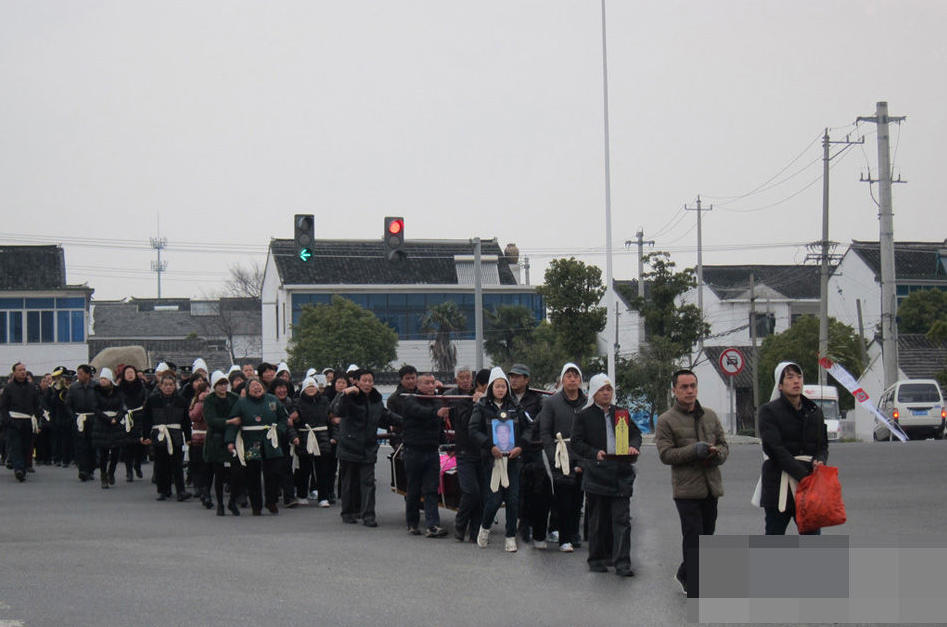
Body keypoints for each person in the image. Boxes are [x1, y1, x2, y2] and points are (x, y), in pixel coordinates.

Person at [655, 369, 729, 597]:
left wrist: (716, 454)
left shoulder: (710, 415)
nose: (689, 391)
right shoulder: (666, 420)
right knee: (693, 535)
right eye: (684, 387)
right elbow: (666, 455)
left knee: (708, 535)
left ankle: (684, 573)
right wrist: (693, 451)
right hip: (686, 489)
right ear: (674, 390)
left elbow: (725, 446)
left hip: (710, 486)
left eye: (693, 386)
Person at [571, 374, 641, 577]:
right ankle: (596, 559)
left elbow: (635, 435)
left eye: (609, 389)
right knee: (598, 521)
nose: (606, 393)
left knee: (622, 520)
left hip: (620, 473)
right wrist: (594, 453)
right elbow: (576, 442)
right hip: (597, 473)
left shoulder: (621, 414)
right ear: (594, 392)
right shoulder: (584, 416)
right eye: (602, 390)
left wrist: (632, 447)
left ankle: (622, 563)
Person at [757, 361, 829, 535]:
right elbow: (774, 449)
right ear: (780, 385)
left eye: (799, 377)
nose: (796, 381)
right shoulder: (768, 411)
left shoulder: (814, 411)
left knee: (812, 539)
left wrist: (820, 460)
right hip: (778, 483)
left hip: (809, 486)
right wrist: (803, 475)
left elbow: (822, 445)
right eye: (790, 377)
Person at [333, 369, 402, 527]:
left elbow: (385, 417)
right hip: (349, 445)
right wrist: (345, 394)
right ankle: (348, 512)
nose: (367, 384)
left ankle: (368, 515)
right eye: (364, 380)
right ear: (356, 381)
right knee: (349, 482)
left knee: (368, 482)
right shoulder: (347, 397)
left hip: (368, 446)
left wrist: (407, 421)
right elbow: (338, 411)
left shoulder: (376, 399)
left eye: (370, 380)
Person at [469, 367, 527, 552]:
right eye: (497, 386)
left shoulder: (515, 406)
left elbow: (528, 429)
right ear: (491, 387)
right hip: (491, 460)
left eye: (504, 386)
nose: (501, 389)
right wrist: (489, 446)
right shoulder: (482, 407)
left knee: (513, 499)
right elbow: (473, 430)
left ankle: (510, 536)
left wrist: (521, 446)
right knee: (494, 499)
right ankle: (484, 528)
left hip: (513, 460)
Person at [226, 378, 297, 515]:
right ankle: (256, 505)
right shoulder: (241, 403)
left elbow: (283, 418)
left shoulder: (272, 400)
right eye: (253, 386)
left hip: (270, 442)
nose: (256, 388)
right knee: (252, 475)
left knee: (274, 472)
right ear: (248, 390)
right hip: (251, 442)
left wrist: (279, 430)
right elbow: (233, 423)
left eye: (258, 385)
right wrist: (230, 441)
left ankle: (271, 501)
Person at [538, 362, 587, 552]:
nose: (573, 379)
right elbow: (545, 432)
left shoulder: (587, 402)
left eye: (576, 375)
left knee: (578, 497)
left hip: (581, 454)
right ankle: (563, 537)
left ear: (581, 380)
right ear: (562, 379)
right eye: (569, 375)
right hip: (560, 454)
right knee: (563, 498)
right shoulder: (551, 403)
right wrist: (553, 456)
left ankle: (574, 534)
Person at [401, 372, 450, 537]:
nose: (431, 386)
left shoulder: (437, 401)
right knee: (413, 489)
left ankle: (432, 525)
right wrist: (436, 414)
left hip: (431, 451)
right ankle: (412, 523)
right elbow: (419, 412)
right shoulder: (410, 400)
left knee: (431, 489)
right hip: (413, 450)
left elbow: (440, 426)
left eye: (432, 383)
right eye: (427, 383)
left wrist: (447, 443)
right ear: (418, 385)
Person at [507, 363, 551, 548]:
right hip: (511, 450)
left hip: (533, 450)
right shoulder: (505, 397)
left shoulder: (538, 399)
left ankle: (535, 527)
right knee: (516, 491)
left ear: (526, 379)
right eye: (512, 376)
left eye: (518, 376)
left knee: (538, 490)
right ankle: (519, 524)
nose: (514, 380)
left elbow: (539, 423)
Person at [444, 367, 485, 542]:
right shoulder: (458, 398)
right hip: (464, 451)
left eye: (468, 377)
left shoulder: (482, 396)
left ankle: (476, 530)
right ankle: (460, 524)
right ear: (456, 379)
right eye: (462, 377)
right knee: (471, 491)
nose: (466, 380)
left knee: (482, 493)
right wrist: (475, 404)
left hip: (483, 452)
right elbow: (465, 421)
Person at [142, 373, 193, 502]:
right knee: (161, 464)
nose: (168, 387)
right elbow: (146, 419)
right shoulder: (153, 400)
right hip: (159, 435)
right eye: (166, 385)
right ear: (161, 386)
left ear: (174, 386)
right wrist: (145, 435)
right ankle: (163, 490)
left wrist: (188, 437)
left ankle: (180, 491)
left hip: (175, 435)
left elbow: (186, 421)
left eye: (171, 385)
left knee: (177, 464)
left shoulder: (181, 401)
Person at [202, 371, 241, 516]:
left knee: (236, 472)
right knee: (218, 474)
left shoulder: (234, 398)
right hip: (216, 439)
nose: (223, 387)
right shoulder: (210, 399)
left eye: (225, 384)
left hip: (233, 437)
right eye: (220, 384)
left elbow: (240, 412)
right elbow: (211, 419)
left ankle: (232, 501)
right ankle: (220, 503)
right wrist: (228, 421)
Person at [293, 376, 333, 507]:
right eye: (308, 387)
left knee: (323, 469)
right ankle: (302, 494)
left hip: (322, 436)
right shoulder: (297, 402)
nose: (311, 390)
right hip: (304, 436)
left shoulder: (325, 401)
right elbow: (293, 421)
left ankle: (323, 497)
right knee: (304, 469)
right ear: (303, 389)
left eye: (313, 387)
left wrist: (333, 436)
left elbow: (330, 419)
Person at [0, 362, 43, 482]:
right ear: (14, 372)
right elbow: (3, 407)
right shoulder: (9, 388)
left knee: (27, 446)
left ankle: (23, 467)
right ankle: (18, 469)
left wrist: (37, 419)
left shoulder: (31, 387)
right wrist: (7, 421)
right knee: (16, 446)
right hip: (14, 421)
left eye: (24, 369)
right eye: (20, 370)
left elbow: (36, 405)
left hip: (28, 422)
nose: (23, 372)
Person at [92, 368, 125, 489]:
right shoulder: (96, 392)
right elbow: (95, 409)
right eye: (101, 379)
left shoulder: (118, 392)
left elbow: (122, 407)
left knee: (116, 451)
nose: (102, 381)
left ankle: (111, 472)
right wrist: (107, 418)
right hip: (102, 423)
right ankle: (103, 475)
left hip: (116, 423)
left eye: (104, 378)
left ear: (110, 380)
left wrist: (117, 418)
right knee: (104, 452)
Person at [66, 364, 99, 482]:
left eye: (80, 373)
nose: (78, 376)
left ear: (87, 374)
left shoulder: (96, 386)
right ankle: (83, 470)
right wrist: (73, 417)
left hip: (93, 419)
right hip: (79, 419)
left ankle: (91, 469)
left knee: (92, 446)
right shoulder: (73, 388)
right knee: (80, 446)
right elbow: (68, 405)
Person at [117, 365, 147, 481]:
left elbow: (146, 399)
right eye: (127, 372)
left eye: (132, 372)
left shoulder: (141, 387)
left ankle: (137, 465)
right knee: (127, 446)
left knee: (140, 445)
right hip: (126, 418)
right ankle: (128, 471)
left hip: (139, 417)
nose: (130, 375)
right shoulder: (120, 388)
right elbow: (118, 401)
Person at [188, 377, 214, 508]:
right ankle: (198, 487)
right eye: (204, 391)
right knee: (197, 464)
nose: (206, 393)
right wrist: (201, 403)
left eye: (208, 390)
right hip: (198, 438)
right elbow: (194, 416)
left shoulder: (212, 403)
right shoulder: (197, 403)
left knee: (207, 466)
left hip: (210, 438)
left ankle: (206, 489)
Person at [385, 364, 417, 452]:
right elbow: (391, 424)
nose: (411, 381)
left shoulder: (423, 395)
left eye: (413, 378)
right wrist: (396, 444)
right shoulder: (393, 399)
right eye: (407, 378)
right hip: (402, 441)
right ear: (401, 379)